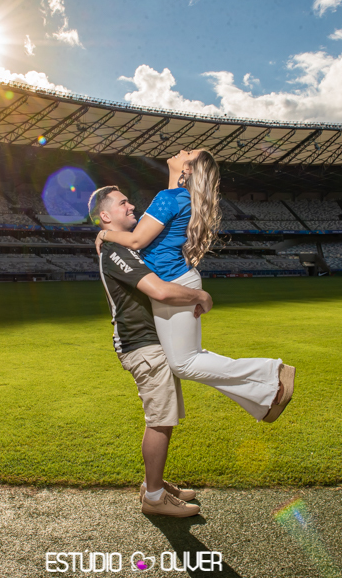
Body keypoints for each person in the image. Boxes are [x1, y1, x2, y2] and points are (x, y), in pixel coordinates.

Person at [95, 149, 294, 423]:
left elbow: (138, 241)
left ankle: (270, 374)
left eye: (187, 153)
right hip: (179, 277)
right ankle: (265, 397)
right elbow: (167, 205)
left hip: (174, 281)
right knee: (189, 359)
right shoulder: (181, 197)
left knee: (184, 364)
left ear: (188, 170)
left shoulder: (169, 199)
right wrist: (176, 174)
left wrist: (104, 233)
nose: (181, 150)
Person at [90, 185, 211, 518]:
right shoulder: (116, 251)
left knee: (164, 419)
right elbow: (158, 290)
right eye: (123, 203)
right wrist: (199, 296)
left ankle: (153, 483)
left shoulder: (119, 245)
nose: (132, 206)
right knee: (160, 420)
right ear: (105, 215)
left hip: (148, 341)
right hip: (140, 343)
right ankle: (154, 498)